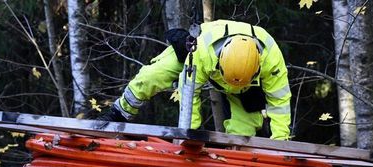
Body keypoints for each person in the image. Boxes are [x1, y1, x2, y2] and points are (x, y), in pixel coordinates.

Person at [99, 19, 291, 140]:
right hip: (197, 57)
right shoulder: (203, 50)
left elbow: (280, 103)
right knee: (152, 76)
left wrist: (281, 144)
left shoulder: (272, 60)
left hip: (246, 89)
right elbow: (190, 93)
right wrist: (189, 136)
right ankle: (118, 113)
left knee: (243, 136)